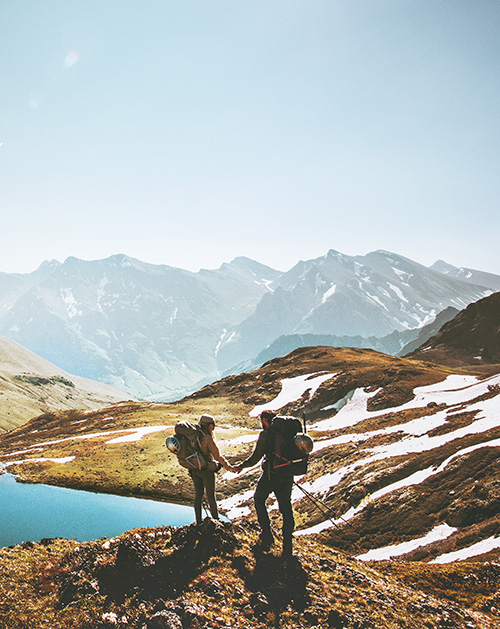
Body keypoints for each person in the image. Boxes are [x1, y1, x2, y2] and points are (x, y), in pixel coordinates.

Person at [234, 410, 295, 558]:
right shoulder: (288, 433)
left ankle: (267, 534)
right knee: (286, 506)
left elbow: (256, 457)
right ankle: (288, 544)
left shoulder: (266, 434)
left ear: (266, 420)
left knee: (259, 499)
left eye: (262, 420)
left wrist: (242, 465)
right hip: (288, 474)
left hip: (272, 474)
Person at [190, 413, 236, 526]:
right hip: (206, 470)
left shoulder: (194, 436)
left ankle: (199, 521)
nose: (213, 427)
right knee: (211, 496)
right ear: (208, 426)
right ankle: (216, 521)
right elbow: (217, 456)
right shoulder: (207, 438)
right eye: (212, 425)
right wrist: (228, 467)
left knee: (198, 495)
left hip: (195, 469)